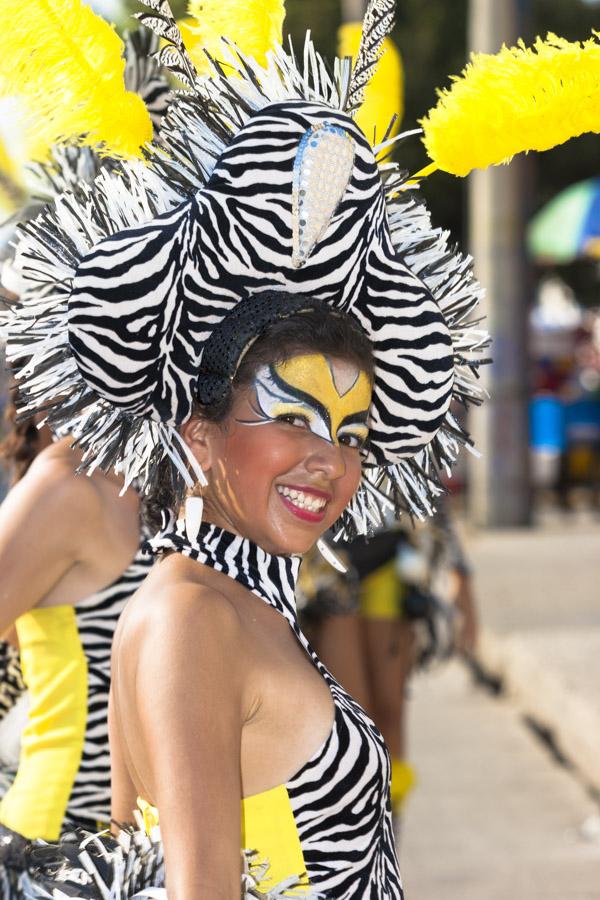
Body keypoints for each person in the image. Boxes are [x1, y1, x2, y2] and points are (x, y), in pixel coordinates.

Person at [5, 1, 590, 897]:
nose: (332, 459)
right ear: (195, 431)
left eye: (353, 432)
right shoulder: (191, 621)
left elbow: (133, 851)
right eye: (293, 418)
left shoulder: (229, 602)